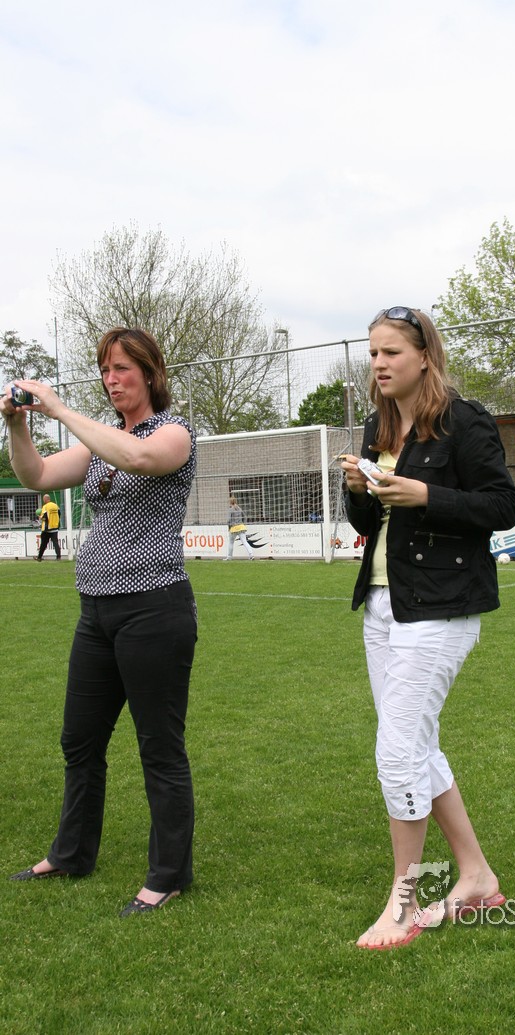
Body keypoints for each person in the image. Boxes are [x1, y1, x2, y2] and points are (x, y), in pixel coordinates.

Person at [341, 306, 515, 951]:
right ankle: (476, 876)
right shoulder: (379, 425)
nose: (379, 364)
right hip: (382, 605)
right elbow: (368, 524)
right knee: (417, 746)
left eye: (391, 352)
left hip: (442, 608)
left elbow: (504, 505)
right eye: (373, 354)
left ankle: (404, 902)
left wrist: (426, 495)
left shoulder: (464, 420)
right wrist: (359, 488)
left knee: (397, 754)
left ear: (424, 356)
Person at [1, 327, 198, 918]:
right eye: (105, 370)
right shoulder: (99, 443)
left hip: (154, 609)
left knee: (159, 747)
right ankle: (71, 854)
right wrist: (17, 425)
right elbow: (36, 476)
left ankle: (169, 874)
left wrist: (59, 408)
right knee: (79, 740)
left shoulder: (175, 432)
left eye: (121, 368)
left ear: (150, 372)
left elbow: (138, 457)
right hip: (96, 611)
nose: (111, 379)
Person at [223, 496, 254, 560]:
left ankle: (229, 557)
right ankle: (251, 555)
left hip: (234, 528)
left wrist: (229, 526)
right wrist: (243, 524)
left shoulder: (230, 509)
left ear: (230, 502)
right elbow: (245, 517)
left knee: (231, 543)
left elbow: (228, 520)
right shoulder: (239, 508)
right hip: (241, 527)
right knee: (245, 542)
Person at [35, 493, 62, 560]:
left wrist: (40, 517)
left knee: (43, 544)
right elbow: (59, 514)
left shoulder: (45, 506)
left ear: (45, 499)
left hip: (47, 529)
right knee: (55, 543)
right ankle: (58, 556)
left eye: (43, 499)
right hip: (55, 527)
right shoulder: (55, 506)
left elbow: (45, 517)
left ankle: (39, 557)